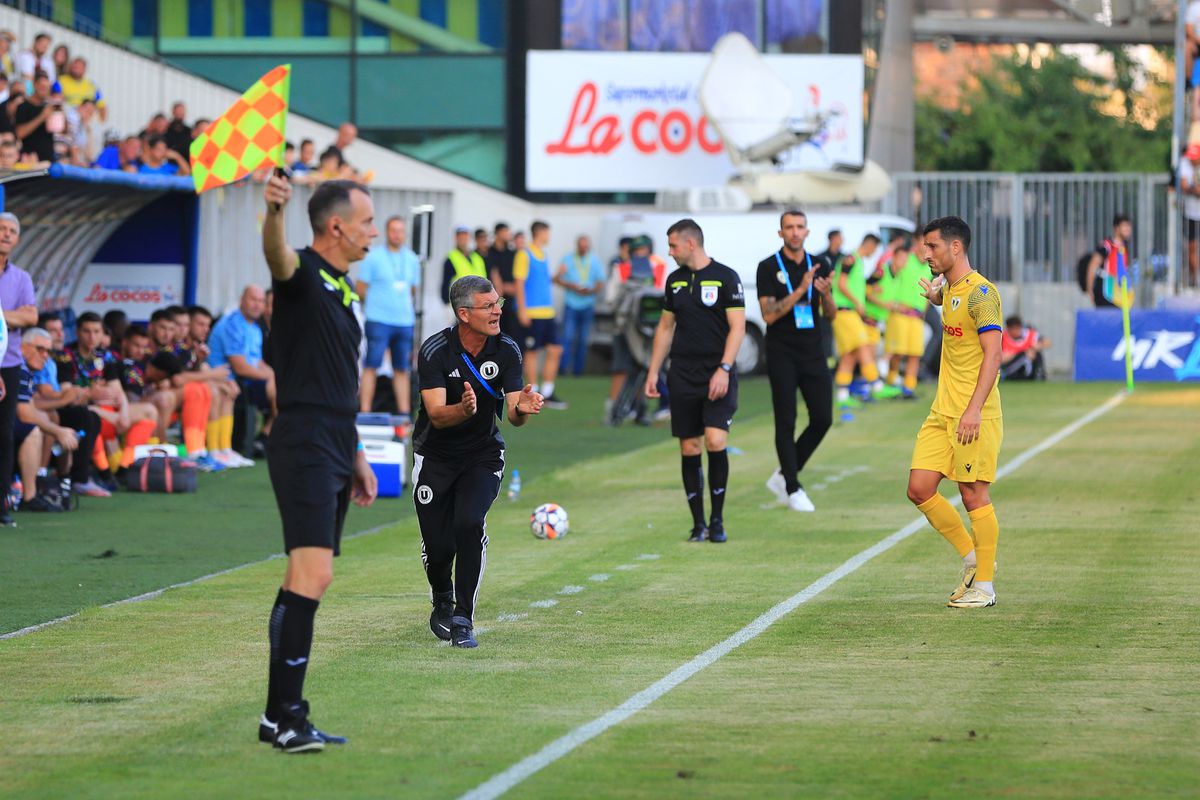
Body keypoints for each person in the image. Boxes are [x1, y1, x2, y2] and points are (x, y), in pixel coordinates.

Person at [259, 174, 379, 752]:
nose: (374, 233)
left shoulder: (344, 287)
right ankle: (288, 719)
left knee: (303, 580)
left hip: (334, 437)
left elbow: (339, 381)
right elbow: (278, 258)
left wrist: (356, 453)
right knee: (314, 575)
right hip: (304, 438)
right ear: (337, 226)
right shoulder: (303, 273)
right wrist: (274, 210)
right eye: (368, 222)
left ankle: (275, 716)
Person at [411, 275, 544, 648]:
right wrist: (464, 409)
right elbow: (437, 415)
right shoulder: (435, 350)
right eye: (489, 306)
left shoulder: (507, 350)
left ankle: (463, 618)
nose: (498, 311)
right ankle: (442, 596)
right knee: (438, 548)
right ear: (464, 313)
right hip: (434, 456)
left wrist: (524, 409)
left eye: (498, 303)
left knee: (469, 523)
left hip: (482, 455)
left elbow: (514, 413)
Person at [906, 216, 1004, 609]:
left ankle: (985, 586)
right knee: (919, 488)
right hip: (942, 411)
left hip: (972, 413)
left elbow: (994, 354)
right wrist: (937, 298)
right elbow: (953, 309)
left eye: (931, 246)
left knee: (973, 494)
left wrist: (974, 410)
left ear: (955, 248)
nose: (924, 253)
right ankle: (972, 558)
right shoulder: (951, 290)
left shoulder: (982, 293)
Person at [645, 219, 745, 543]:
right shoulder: (674, 282)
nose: (669, 252)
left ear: (690, 244)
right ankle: (698, 524)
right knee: (689, 446)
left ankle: (717, 520)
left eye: (673, 245)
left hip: (717, 372)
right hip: (682, 374)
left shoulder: (726, 278)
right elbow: (664, 328)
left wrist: (725, 368)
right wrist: (653, 372)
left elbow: (738, 328)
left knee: (715, 441)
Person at [757, 210, 836, 513]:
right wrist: (801, 290)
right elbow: (768, 314)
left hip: (813, 350)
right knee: (786, 419)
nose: (794, 232)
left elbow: (830, 314)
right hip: (782, 352)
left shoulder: (821, 263)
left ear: (807, 231)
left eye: (799, 227)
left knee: (823, 418)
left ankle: (784, 473)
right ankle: (792, 486)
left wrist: (825, 295)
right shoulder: (767, 267)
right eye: (788, 227)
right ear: (781, 233)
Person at [355, 215, 420, 415]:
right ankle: (365, 411)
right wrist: (378, 304)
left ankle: (403, 413)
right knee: (372, 364)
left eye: (400, 230)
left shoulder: (411, 258)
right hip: (378, 320)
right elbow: (361, 288)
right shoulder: (373, 257)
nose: (397, 235)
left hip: (404, 321)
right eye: (393, 230)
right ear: (386, 232)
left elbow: (413, 289)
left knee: (402, 368)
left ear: (405, 233)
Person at [14, 328, 79, 511]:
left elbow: (29, 406)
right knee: (32, 430)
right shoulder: (18, 366)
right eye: (40, 349)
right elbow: (24, 413)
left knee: (50, 418)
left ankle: (44, 481)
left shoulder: (25, 368)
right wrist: (58, 431)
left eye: (48, 351)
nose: (45, 356)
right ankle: (29, 495)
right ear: (22, 346)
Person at [0, 211, 36, 525]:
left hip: (9, 363)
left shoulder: (21, 278)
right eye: (2, 229)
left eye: (12, 230)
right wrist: (13, 315)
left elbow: (31, 318)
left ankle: (1, 504)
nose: (6, 234)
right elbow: (20, 317)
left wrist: (1, 316)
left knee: (4, 434)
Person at [208, 285, 276, 442]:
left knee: (286, 387)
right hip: (225, 379)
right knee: (282, 390)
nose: (257, 304)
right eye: (253, 299)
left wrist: (272, 374)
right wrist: (271, 377)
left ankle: (266, 435)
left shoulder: (254, 328)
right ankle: (264, 437)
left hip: (243, 381)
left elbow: (257, 361)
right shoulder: (232, 324)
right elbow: (241, 368)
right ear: (242, 300)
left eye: (261, 301)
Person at [514, 220, 566, 408]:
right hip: (532, 312)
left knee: (555, 350)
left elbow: (544, 281)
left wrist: (558, 274)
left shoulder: (543, 255)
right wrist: (522, 310)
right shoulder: (524, 254)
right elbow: (519, 283)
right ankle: (533, 391)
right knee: (532, 351)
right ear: (540, 232)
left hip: (548, 312)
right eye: (548, 232)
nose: (549, 236)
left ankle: (548, 391)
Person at [831, 234, 884, 411]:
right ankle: (876, 385)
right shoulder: (851, 259)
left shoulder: (857, 261)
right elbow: (841, 284)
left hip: (848, 312)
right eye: (874, 249)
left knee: (850, 354)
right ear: (869, 245)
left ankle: (842, 395)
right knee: (863, 345)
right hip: (845, 311)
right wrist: (857, 302)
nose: (874, 253)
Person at [880, 241, 929, 399]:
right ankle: (891, 382)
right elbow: (888, 274)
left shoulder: (930, 265)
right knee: (897, 352)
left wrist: (924, 310)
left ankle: (909, 388)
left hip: (917, 316)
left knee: (915, 354)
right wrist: (892, 303)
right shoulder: (905, 258)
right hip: (900, 314)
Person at [554, 234, 604, 377]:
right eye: (580, 246)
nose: (583, 248)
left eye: (585, 246)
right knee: (567, 337)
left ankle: (578, 371)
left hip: (588, 304)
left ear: (588, 246)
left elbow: (600, 283)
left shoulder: (594, 261)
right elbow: (557, 280)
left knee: (583, 339)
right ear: (577, 246)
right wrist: (571, 286)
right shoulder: (568, 259)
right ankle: (563, 370)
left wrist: (590, 290)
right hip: (571, 304)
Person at [1083, 214, 1132, 309]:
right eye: (1125, 226)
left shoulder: (1123, 248)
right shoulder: (1107, 246)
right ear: (1117, 228)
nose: (1128, 229)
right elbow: (1093, 265)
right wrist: (1090, 290)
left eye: (1129, 226)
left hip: (1118, 294)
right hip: (1105, 292)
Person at [14, 74, 57, 163]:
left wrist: (59, 113)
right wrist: (42, 116)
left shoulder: (49, 106)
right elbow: (19, 133)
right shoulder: (23, 107)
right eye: (41, 86)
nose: (44, 90)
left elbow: (60, 130)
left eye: (47, 87)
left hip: (49, 159)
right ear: (34, 85)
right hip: (30, 160)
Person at [486, 222, 518, 341]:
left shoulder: (512, 253)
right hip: (494, 299)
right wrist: (502, 287)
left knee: (509, 335)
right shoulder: (489, 252)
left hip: (510, 300)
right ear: (498, 233)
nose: (508, 234)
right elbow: (490, 274)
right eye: (506, 232)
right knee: (493, 332)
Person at [441, 226, 487, 305]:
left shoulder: (477, 258)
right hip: (460, 304)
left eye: (465, 236)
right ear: (456, 238)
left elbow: (485, 281)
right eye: (460, 237)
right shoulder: (451, 258)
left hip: (478, 303)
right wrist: (447, 303)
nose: (463, 239)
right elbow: (446, 283)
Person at [1000, 315, 1049, 381]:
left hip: (1029, 367)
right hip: (1011, 370)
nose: (1016, 331)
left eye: (1018, 328)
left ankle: (1039, 374)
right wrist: (1021, 353)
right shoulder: (1002, 337)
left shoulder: (1028, 334)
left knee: (1036, 354)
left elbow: (1047, 342)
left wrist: (1035, 348)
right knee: (1024, 355)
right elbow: (1001, 359)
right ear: (1008, 328)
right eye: (1014, 328)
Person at [1179, 145, 1200, 288]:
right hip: (1191, 214)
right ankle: (1195, 279)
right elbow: (1185, 186)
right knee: (1191, 247)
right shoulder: (1184, 163)